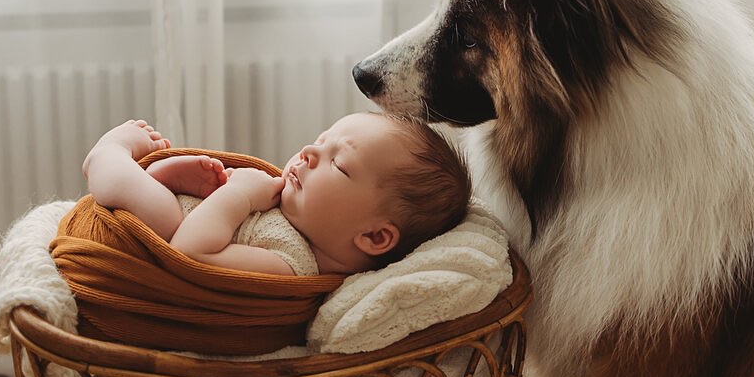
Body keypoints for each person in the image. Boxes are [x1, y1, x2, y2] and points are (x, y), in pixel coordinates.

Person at [81, 114, 470, 276]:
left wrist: (241, 195)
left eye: (339, 164)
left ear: (374, 237)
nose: (309, 153)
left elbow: (188, 251)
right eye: (320, 141)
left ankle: (109, 154)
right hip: (181, 218)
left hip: (147, 246)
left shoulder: (291, 266)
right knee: (169, 201)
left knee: (166, 215)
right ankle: (156, 178)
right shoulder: (294, 214)